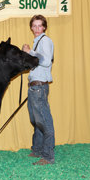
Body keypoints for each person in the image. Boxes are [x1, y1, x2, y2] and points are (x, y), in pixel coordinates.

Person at [23, 15, 55, 165]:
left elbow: (47, 60)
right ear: (31, 27)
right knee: (36, 120)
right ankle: (37, 150)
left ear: (44, 27)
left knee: (43, 121)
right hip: (35, 87)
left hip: (39, 87)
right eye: (34, 26)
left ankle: (47, 156)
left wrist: (31, 52)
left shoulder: (45, 41)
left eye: (39, 26)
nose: (36, 29)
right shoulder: (38, 43)